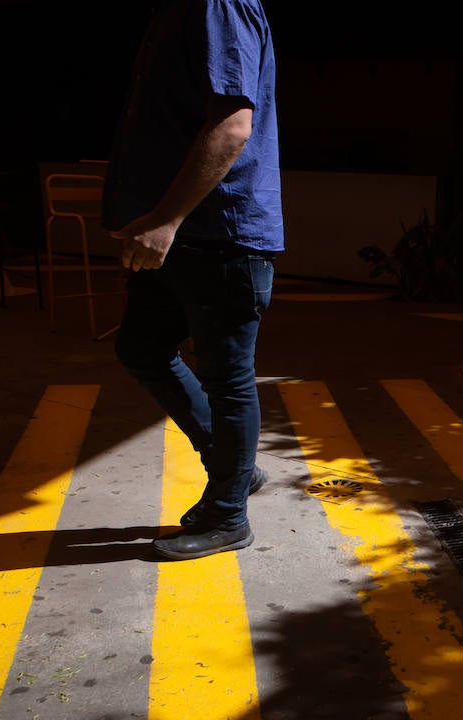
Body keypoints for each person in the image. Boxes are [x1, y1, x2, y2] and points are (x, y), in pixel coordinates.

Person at [102, 0, 283, 561]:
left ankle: (229, 515)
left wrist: (165, 220)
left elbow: (232, 126)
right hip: (183, 234)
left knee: (228, 377)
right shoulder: (175, 9)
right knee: (142, 346)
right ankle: (235, 469)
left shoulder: (216, 3)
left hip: (217, 234)